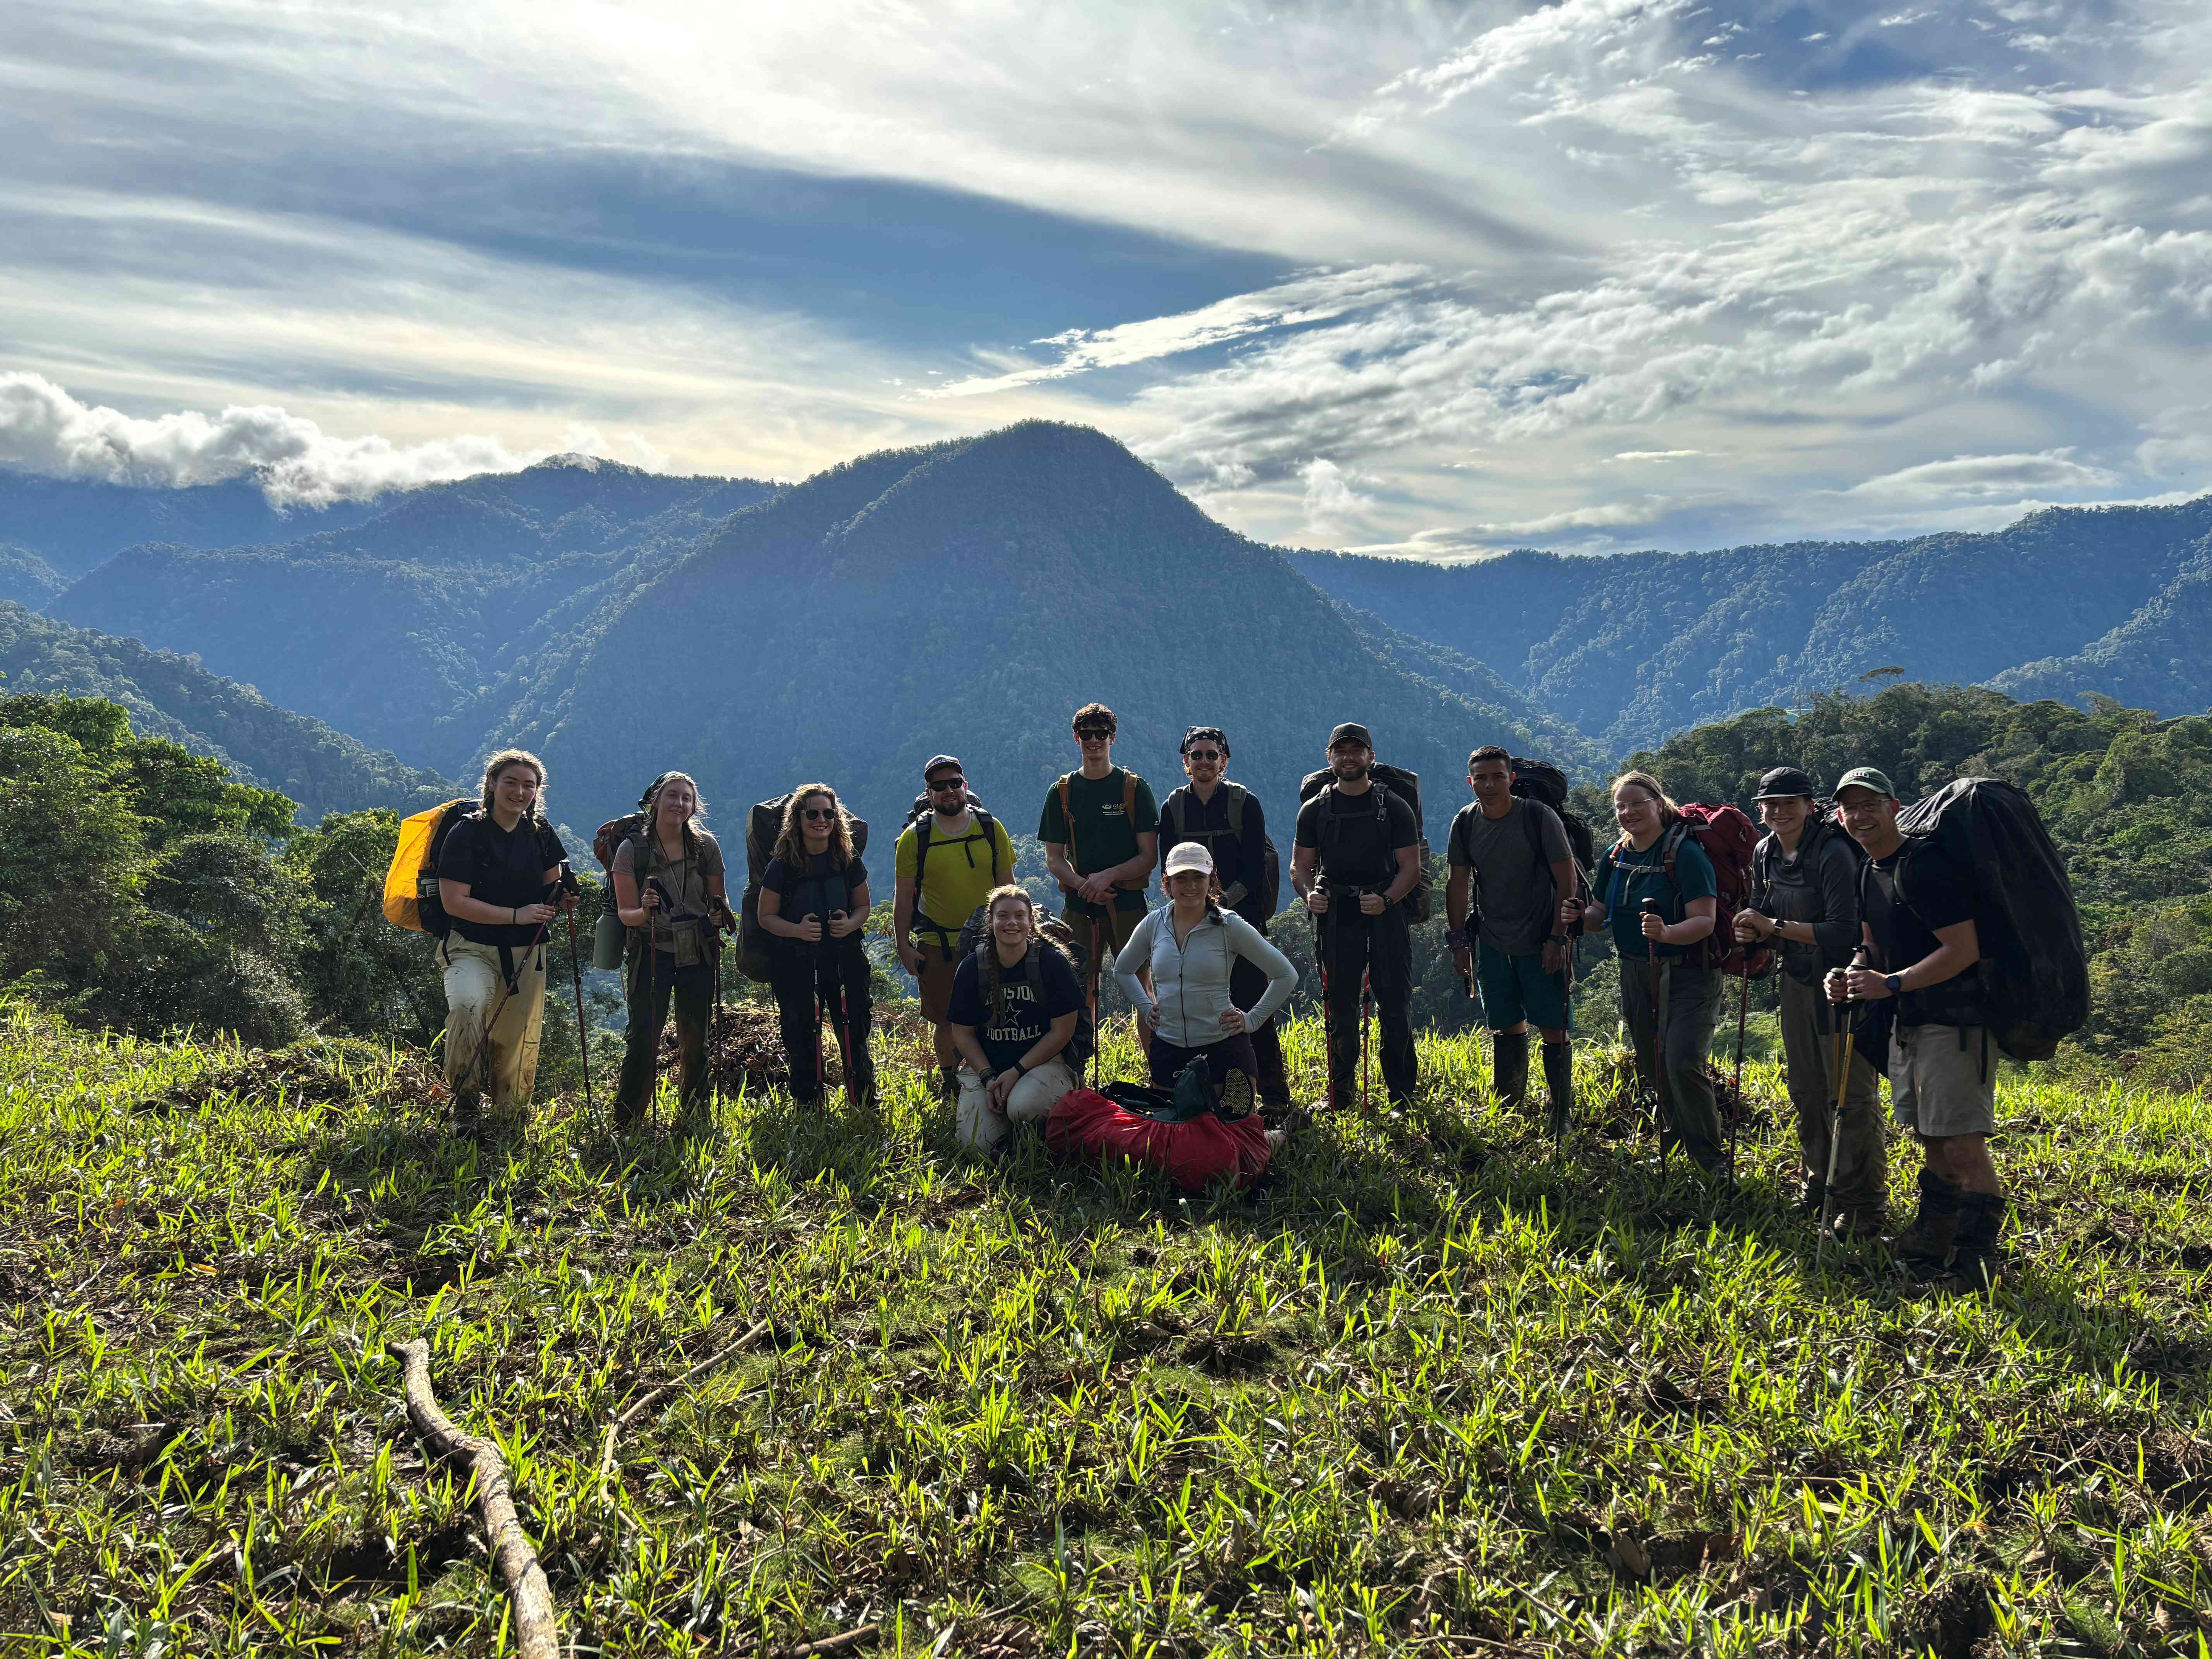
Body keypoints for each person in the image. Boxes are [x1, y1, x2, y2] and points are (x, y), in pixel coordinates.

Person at [1827, 767, 2003, 1293]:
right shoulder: (1869, 871)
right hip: (1909, 1024)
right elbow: (1871, 945)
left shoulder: (1925, 867)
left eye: (1869, 805)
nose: (1859, 816)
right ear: (1839, 815)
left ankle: (1974, 1265)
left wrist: (1894, 985)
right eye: (1849, 808)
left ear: (1894, 806)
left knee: (1964, 1147)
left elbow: (1962, 950)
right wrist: (1855, 973)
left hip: (1955, 1024)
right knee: (1929, 1137)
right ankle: (1933, 1239)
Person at [1732, 766, 1884, 1235]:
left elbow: (1843, 930)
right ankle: (1822, 1182)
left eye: (1789, 802)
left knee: (1850, 1095)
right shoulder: (1765, 852)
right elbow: (1764, 911)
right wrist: (1750, 932)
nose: (1779, 812)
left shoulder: (1834, 853)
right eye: (1770, 805)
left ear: (1810, 805)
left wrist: (1771, 928)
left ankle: (1863, 1203)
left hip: (1842, 986)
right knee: (1806, 1090)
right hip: (1798, 982)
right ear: (1760, 811)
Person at [1565, 770, 1724, 1173]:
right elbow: (1600, 912)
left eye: (1638, 803)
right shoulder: (1617, 856)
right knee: (1654, 1062)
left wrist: (1667, 932)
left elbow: (1705, 921)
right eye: (1621, 806)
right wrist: (1580, 915)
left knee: (1683, 1060)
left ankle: (1710, 1160)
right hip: (1635, 970)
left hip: (1689, 972)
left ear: (1659, 803)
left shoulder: (1684, 855)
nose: (1629, 812)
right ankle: (1674, 1145)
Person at [434, 749, 573, 1125]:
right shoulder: (468, 833)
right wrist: (516, 915)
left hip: (526, 950)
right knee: (467, 1006)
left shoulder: (541, 835)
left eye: (529, 785)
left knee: (514, 1037)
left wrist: (563, 897)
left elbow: (552, 887)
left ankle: (508, 1114)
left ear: (537, 792)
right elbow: (454, 902)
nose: (519, 791)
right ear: (492, 784)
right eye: (511, 782)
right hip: (470, 947)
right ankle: (465, 1104)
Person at [1446, 745, 1578, 1135]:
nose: (1489, 785)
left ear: (1511, 779)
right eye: (1481, 779)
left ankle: (1561, 1114)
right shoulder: (1466, 822)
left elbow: (1566, 878)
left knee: (1553, 1024)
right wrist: (1458, 942)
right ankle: (1509, 1107)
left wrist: (1558, 936)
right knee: (1506, 1024)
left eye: (1497, 777)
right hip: (1491, 937)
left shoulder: (1537, 817)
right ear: (1471, 783)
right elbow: (1458, 883)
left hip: (1541, 937)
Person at [1156, 726, 1290, 1106]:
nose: (1204, 762)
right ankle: (1205, 1093)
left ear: (1224, 761)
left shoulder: (1245, 804)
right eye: (1196, 755)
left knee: (1250, 1006)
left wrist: (1220, 905)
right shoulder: (1173, 808)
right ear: (1186, 763)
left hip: (1240, 921)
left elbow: (1253, 868)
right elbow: (1168, 868)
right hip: (1193, 923)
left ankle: (1276, 1098)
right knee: (1199, 1006)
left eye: (1211, 755)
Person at [1291, 722, 1422, 1110]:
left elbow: (1411, 868)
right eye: (1341, 751)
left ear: (1371, 757)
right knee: (1341, 1006)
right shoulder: (1315, 810)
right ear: (1329, 758)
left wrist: (1386, 899)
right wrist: (1309, 895)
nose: (1349, 757)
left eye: (1357, 750)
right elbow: (1301, 867)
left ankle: (1401, 1097)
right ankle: (1341, 1095)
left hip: (1385, 913)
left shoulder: (1394, 807)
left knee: (1395, 1003)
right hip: (1335, 915)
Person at [1115, 841, 1297, 1117]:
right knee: (1174, 1134)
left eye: (1198, 877)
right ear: (1167, 882)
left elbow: (1285, 974)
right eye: (1181, 878)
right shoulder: (1154, 924)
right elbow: (1122, 970)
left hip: (1224, 1049)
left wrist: (1252, 1020)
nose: (1190, 886)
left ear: (1211, 880)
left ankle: (1278, 1134)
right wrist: (1145, 1006)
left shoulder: (1229, 925)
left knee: (1231, 1130)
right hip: (1168, 1047)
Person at [609, 772, 730, 1128]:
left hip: (698, 952)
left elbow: (718, 900)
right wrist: (644, 910)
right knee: (643, 1039)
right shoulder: (632, 849)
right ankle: (627, 1123)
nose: (679, 804)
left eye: (687, 799)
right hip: (652, 952)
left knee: (696, 1040)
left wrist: (720, 913)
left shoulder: (706, 846)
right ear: (655, 801)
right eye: (672, 796)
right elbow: (626, 914)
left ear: (694, 806)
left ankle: (695, 1119)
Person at [894, 754, 1017, 1105]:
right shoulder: (914, 839)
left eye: (954, 783)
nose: (948, 791)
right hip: (938, 941)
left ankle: (989, 1079)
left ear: (965, 785)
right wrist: (904, 945)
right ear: (929, 792)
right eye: (939, 786)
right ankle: (951, 1086)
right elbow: (903, 900)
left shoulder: (991, 829)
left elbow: (1008, 889)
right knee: (946, 1020)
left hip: (989, 939)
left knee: (997, 1014)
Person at [1040, 703, 1157, 1034]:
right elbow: (1054, 858)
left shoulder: (1134, 789)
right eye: (1087, 734)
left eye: (1101, 734)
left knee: (1141, 992)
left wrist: (1107, 877)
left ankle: (1157, 1078)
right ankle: (1078, 1078)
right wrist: (1085, 886)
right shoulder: (1062, 792)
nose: (1094, 741)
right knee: (1080, 991)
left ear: (1113, 738)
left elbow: (1149, 856)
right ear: (1076, 738)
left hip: (1129, 905)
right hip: (1080, 906)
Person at [757, 783, 874, 1107]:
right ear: (798, 819)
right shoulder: (781, 866)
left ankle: (864, 1101)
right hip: (797, 963)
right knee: (801, 1034)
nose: (821, 820)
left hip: (845, 958)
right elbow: (766, 916)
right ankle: (808, 1105)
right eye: (813, 814)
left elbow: (864, 906)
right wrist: (798, 931)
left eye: (828, 813)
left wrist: (850, 924)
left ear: (837, 819)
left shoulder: (847, 860)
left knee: (854, 1031)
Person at [947, 884, 1082, 1152]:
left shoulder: (1052, 963)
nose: (1012, 923)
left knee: (1024, 1107)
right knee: (974, 1144)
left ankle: (1035, 1128)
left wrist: (1015, 1072)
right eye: (1003, 916)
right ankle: (1006, 1133)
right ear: (991, 920)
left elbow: (1062, 1031)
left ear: (1031, 921)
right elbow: (963, 1033)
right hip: (989, 1068)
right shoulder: (972, 968)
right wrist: (988, 1078)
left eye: (1020, 916)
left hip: (1043, 1064)